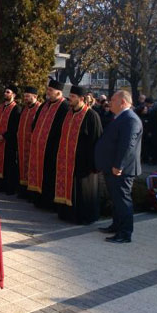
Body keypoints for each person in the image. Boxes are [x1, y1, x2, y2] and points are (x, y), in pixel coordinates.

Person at [95, 90, 142, 244]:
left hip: (122, 169)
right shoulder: (120, 117)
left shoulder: (130, 119)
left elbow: (127, 145)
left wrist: (118, 165)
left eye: (113, 100)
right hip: (113, 167)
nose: (110, 103)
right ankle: (116, 226)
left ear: (122, 102)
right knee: (116, 199)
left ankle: (125, 233)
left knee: (122, 200)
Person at [55, 86, 103, 224]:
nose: (70, 98)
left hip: (84, 162)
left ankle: (84, 217)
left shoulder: (91, 116)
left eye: (73, 96)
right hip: (67, 160)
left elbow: (97, 140)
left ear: (81, 99)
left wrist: (94, 164)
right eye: (70, 96)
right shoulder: (69, 113)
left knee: (83, 192)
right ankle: (67, 214)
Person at [27, 79, 69, 208]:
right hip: (39, 148)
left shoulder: (64, 107)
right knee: (40, 174)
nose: (48, 92)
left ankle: (49, 203)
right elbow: (35, 123)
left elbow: (63, 129)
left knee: (50, 176)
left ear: (59, 92)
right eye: (48, 89)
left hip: (52, 149)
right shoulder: (45, 105)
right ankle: (39, 199)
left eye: (51, 90)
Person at [0, 84, 21, 194]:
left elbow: (15, 126)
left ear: (14, 95)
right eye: (5, 92)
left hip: (8, 142)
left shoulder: (16, 108)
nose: (5, 94)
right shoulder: (0, 107)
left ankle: (9, 187)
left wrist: (4, 136)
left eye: (8, 92)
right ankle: (0, 185)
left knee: (9, 164)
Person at [17, 86, 41, 195]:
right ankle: (22, 190)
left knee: (32, 168)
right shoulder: (24, 108)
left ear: (35, 96)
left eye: (27, 96)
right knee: (22, 166)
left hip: (32, 144)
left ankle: (31, 191)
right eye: (24, 96)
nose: (25, 98)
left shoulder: (39, 108)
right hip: (22, 143)